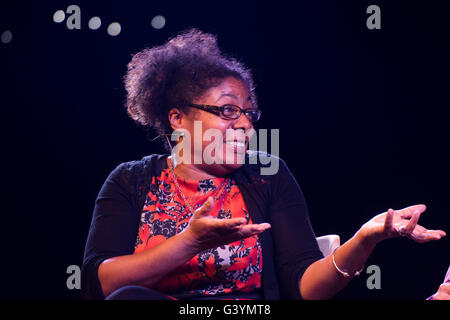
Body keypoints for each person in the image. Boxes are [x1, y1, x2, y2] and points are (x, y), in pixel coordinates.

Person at [81, 28, 446, 300]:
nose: (245, 124)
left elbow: (307, 287)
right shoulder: (130, 181)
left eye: (248, 113)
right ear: (177, 118)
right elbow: (104, 284)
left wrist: (365, 237)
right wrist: (190, 242)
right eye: (227, 111)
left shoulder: (266, 174)